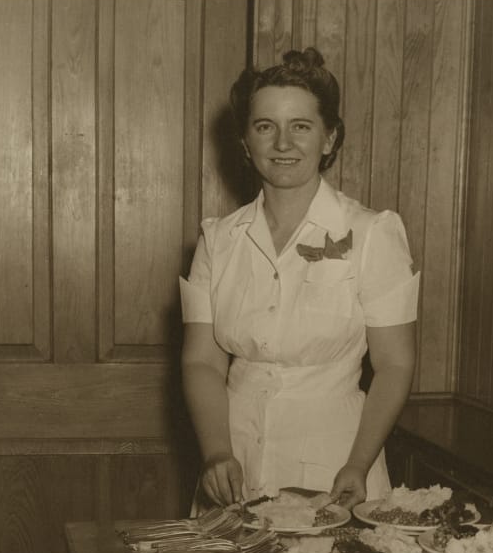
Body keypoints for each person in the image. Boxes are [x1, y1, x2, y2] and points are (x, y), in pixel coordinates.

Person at [179, 47, 419, 513]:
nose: (282, 143)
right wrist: (216, 451)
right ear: (246, 143)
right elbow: (202, 362)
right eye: (265, 126)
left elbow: (395, 365)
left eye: (301, 126)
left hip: (338, 466)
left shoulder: (373, 233)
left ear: (329, 139)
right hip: (234, 464)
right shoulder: (218, 239)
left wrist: (359, 462)